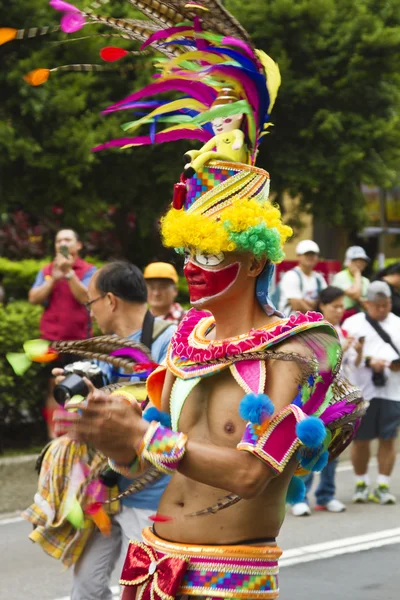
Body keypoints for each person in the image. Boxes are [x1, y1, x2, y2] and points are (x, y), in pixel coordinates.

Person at [26, 261, 176, 600]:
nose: (90, 313)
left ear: (110, 300)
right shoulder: (109, 347)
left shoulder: (171, 342)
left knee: (145, 591)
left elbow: (168, 416)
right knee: (86, 588)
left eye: (90, 303)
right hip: (103, 490)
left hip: (150, 494)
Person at [291, 286, 364, 516]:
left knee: (333, 447)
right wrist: (342, 348)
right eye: (335, 306)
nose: (340, 310)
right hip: (314, 400)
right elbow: (316, 365)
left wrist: (358, 351)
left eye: (343, 306)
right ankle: (300, 498)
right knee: (310, 446)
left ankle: (326, 495)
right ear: (322, 306)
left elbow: (354, 365)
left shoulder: (343, 332)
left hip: (338, 400)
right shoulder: (314, 332)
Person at [28, 229, 97, 437]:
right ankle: (54, 436)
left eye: (67, 239)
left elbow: (86, 297)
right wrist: (53, 278)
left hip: (80, 342)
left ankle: (78, 434)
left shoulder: (89, 270)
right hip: (52, 341)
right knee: (52, 388)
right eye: (59, 240)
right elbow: (34, 297)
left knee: (80, 387)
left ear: (78, 246)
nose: (62, 243)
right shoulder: (47, 270)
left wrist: (69, 274)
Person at [343, 281, 400, 505]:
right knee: (361, 440)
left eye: (386, 304)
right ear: (366, 303)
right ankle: (361, 483)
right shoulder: (353, 323)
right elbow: (345, 358)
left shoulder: (397, 324)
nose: (382, 309)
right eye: (377, 305)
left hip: (392, 391)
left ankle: (383, 485)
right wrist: (368, 360)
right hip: (362, 391)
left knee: (388, 438)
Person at [278, 240, 327, 315]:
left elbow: (326, 300)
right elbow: (297, 305)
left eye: (313, 254)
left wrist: (304, 301)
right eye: (307, 254)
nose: (310, 257)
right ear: (298, 256)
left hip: (311, 324)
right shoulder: (291, 275)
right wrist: (315, 313)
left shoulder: (319, 278)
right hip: (290, 323)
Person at [332, 246, 370, 320]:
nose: (359, 263)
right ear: (348, 262)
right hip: (343, 317)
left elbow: (368, 304)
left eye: (362, 260)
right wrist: (357, 274)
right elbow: (355, 294)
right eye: (355, 260)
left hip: (361, 317)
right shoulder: (340, 276)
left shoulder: (366, 281)